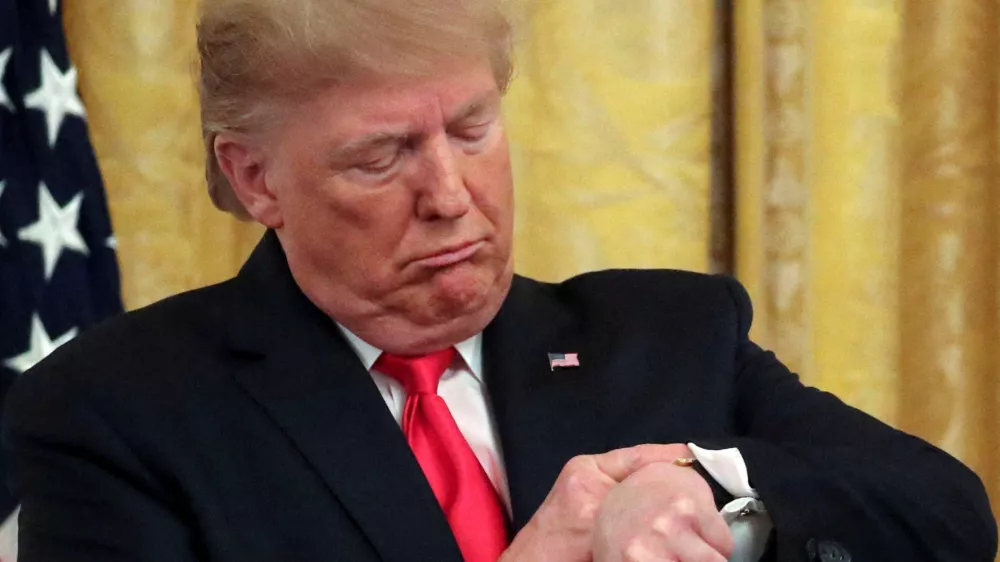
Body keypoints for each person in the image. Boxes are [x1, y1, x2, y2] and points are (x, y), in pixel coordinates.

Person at [4, 0, 996, 560]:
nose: (449, 194)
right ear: (254, 177)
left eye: (472, 129)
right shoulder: (118, 408)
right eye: (381, 155)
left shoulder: (665, 332)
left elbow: (947, 513)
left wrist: (701, 484)